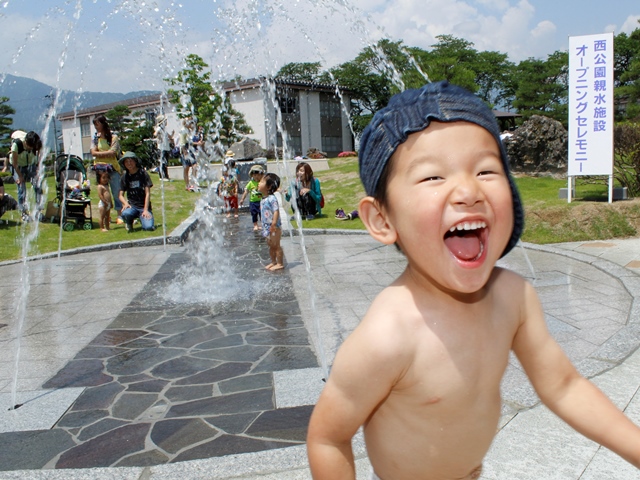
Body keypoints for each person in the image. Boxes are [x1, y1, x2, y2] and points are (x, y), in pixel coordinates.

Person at [306, 81, 640, 480]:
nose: (468, 190)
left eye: (486, 170)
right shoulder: (387, 335)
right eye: (432, 177)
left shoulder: (513, 297)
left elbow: (564, 386)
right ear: (382, 219)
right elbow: (328, 437)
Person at [91, 115, 123, 224]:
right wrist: (105, 154)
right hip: (101, 170)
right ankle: (106, 216)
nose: (96, 127)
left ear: (103, 124)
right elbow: (92, 152)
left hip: (113, 168)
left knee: (116, 192)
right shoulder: (96, 138)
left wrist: (99, 154)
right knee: (104, 193)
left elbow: (113, 152)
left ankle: (120, 215)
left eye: (97, 124)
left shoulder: (113, 137)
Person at [118, 151, 155, 232]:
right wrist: (125, 203)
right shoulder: (124, 177)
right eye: (126, 162)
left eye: (131, 161)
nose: (129, 163)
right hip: (132, 206)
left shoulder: (143, 174)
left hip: (143, 206)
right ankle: (129, 222)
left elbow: (147, 193)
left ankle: (144, 218)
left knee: (148, 228)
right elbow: (120, 195)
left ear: (135, 161)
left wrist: (145, 209)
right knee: (125, 213)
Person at [10, 130, 42, 220]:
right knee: (22, 188)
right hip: (18, 166)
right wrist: (20, 176)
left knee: (38, 186)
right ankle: (23, 213)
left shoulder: (37, 143)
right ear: (26, 143)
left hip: (30, 164)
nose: (31, 149)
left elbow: (39, 156)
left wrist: (38, 170)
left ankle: (38, 211)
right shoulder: (17, 145)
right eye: (30, 147)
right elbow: (14, 163)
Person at [258, 172, 283, 271]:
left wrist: (273, 223)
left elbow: (276, 211)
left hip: (274, 227)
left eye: (261, 181)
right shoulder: (264, 199)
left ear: (269, 187)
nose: (259, 183)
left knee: (276, 246)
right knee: (271, 246)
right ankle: (273, 262)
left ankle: (280, 263)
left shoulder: (272, 198)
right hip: (266, 227)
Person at [240, 164, 265, 231]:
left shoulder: (262, 182)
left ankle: (263, 224)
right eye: (254, 175)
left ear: (262, 175)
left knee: (262, 214)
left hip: (261, 201)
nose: (256, 176)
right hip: (253, 202)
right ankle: (255, 225)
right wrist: (242, 199)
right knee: (254, 214)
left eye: (258, 175)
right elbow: (246, 191)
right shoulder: (251, 183)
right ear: (252, 175)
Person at [154, 114, 172, 181]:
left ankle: (166, 176)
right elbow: (155, 133)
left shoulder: (164, 129)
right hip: (162, 148)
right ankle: (162, 176)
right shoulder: (159, 128)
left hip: (166, 148)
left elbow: (169, 136)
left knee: (165, 162)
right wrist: (159, 137)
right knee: (162, 162)